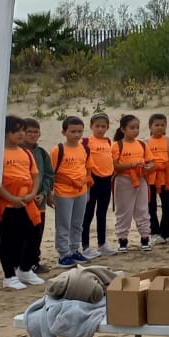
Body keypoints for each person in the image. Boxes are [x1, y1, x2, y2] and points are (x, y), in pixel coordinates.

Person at [0, 116, 43, 290]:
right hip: (7, 205)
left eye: (23, 130)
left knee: (34, 234)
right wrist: (11, 198)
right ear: (6, 132)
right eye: (17, 130)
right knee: (9, 240)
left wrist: (33, 193)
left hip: (27, 203)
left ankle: (25, 269)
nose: (21, 134)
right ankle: (9, 276)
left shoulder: (26, 153)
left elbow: (35, 176)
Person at [52, 115, 91, 267]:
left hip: (81, 191)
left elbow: (87, 169)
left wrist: (87, 190)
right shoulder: (58, 150)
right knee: (63, 224)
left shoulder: (84, 149)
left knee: (77, 223)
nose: (76, 135)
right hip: (63, 192)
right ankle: (63, 254)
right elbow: (52, 172)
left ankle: (74, 249)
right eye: (73, 131)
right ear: (64, 132)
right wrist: (50, 193)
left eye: (79, 131)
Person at [111, 114, 152, 253]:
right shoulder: (117, 145)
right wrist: (132, 165)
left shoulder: (142, 144)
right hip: (124, 180)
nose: (135, 131)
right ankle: (122, 240)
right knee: (124, 211)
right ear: (123, 129)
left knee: (142, 209)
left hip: (141, 179)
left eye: (137, 128)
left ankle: (145, 238)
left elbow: (151, 162)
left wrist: (148, 167)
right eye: (132, 128)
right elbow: (116, 166)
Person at [80, 112, 117, 257]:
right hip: (92, 180)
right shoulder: (86, 142)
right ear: (91, 126)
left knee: (102, 213)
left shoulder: (108, 141)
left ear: (107, 127)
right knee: (87, 214)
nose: (100, 129)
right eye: (97, 126)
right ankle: (85, 246)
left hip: (106, 180)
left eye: (103, 126)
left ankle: (102, 244)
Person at [22, 118, 54, 273]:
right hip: (23, 201)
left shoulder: (41, 153)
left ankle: (34, 261)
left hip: (39, 201)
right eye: (29, 132)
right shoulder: (17, 152)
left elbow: (48, 175)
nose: (33, 135)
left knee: (37, 233)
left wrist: (44, 193)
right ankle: (21, 264)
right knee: (23, 234)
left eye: (35, 132)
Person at [144, 113, 169, 245]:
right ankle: (155, 233)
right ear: (150, 127)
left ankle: (167, 232)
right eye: (156, 125)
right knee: (151, 207)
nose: (160, 127)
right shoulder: (145, 142)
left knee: (167, 207)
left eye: (162, 125)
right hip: (150, 178)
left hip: (165, 178)